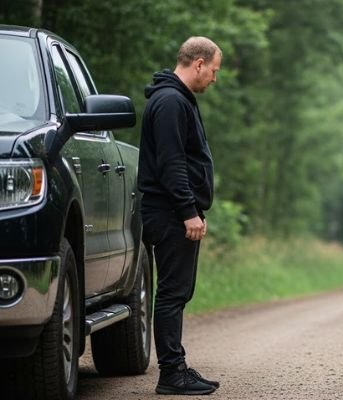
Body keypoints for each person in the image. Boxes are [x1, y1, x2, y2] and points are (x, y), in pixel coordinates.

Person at [138, 36, 222, 396]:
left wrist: (193, 208)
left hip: (174, 211)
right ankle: (171, 374)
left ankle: (177, 368)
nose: (214, 78)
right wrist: (188, 212)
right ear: (198, 64)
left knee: (177, 292)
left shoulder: (176, 98)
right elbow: (170, 163)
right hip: (170, 212)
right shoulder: (171, 101)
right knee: (172, 294)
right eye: (214, 70)